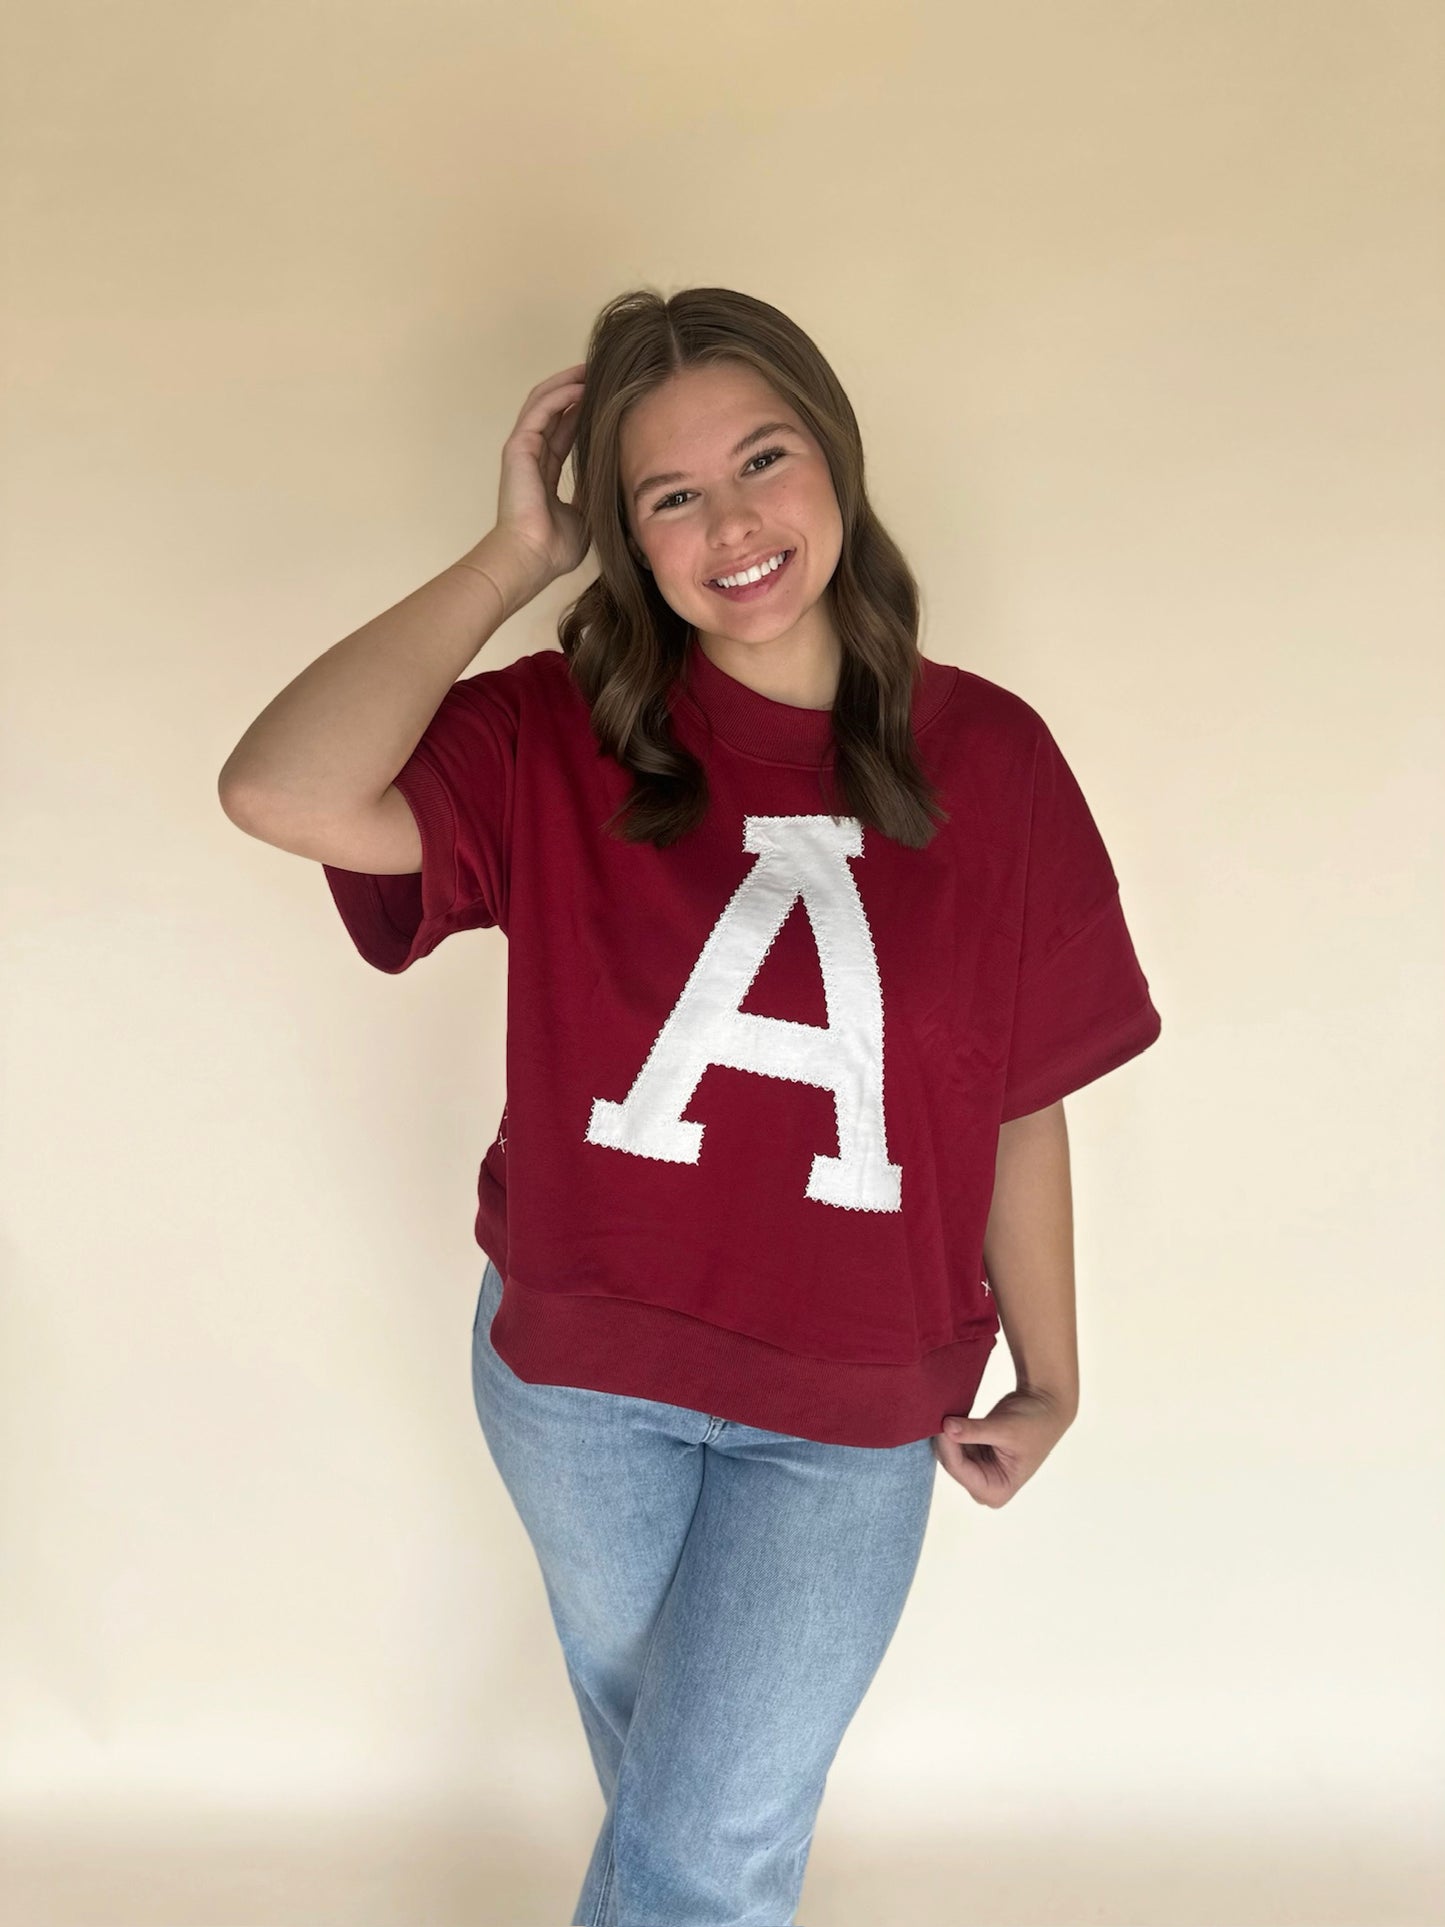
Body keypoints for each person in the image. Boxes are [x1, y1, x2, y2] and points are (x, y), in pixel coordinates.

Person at [218, 285, 1163, 1927]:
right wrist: (515, 559)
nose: (730, 522)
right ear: (625, 537)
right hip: (581, 1389)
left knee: (702, 1842)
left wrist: (1055, 1371)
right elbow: (282, 789)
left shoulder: (991, 760)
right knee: (688, 1810)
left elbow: (1019, 1098)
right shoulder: (551, 739)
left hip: (851, 1412)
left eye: (762, 458)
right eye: (666, 495)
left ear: (835, 462)